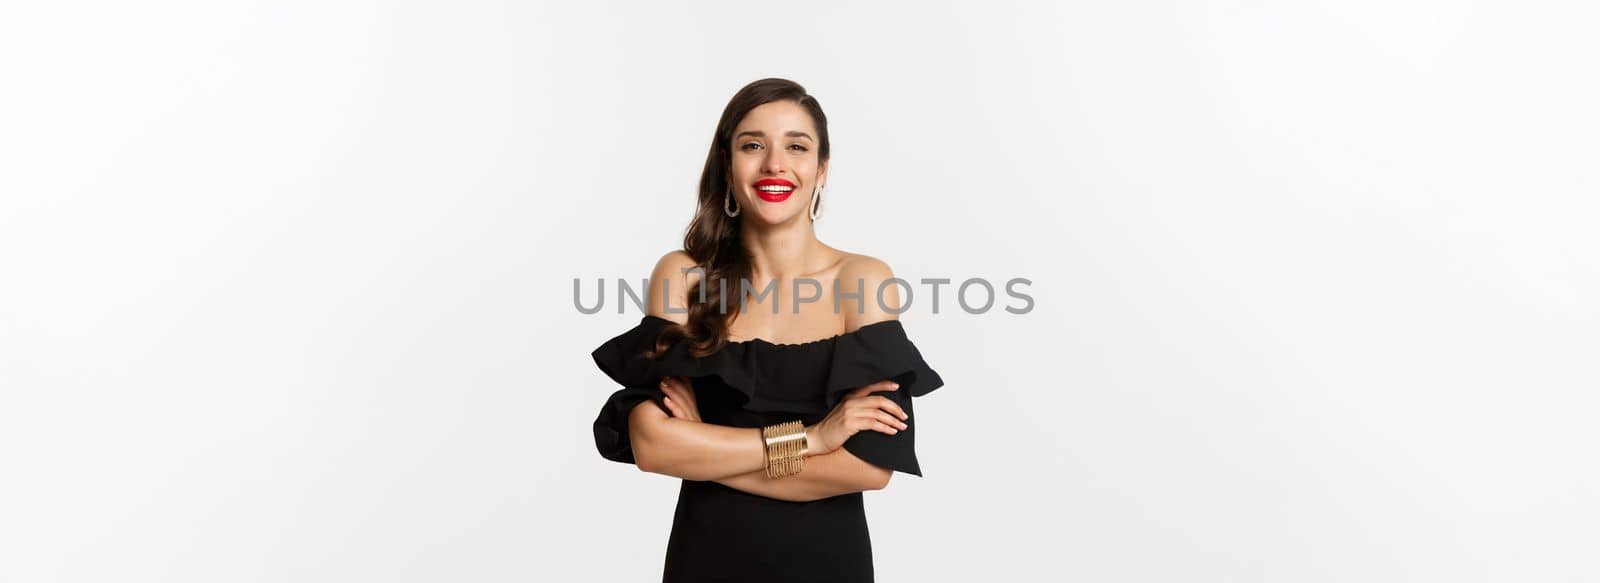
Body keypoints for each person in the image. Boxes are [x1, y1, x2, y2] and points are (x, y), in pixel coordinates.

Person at [590, 77, 946, 583]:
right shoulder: (684, 277)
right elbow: (652, 446)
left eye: (796, 147)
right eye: (753, 145)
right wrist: (815, 437)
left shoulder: (862, 280)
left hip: (828, 563)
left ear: (821, 169)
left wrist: (701, 447)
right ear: (727, 166)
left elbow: (867, 468)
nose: (774, 164)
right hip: (705, 560)